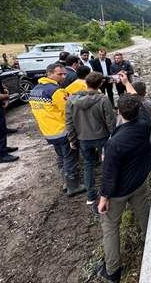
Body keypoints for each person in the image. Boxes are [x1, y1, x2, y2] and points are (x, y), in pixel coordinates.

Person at [97, 74, 151, 282]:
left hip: (119, 190)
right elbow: (136, 98)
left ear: (119, 113)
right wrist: (127, 82)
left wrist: (104, 198)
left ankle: (112, 271)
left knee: (110, 228)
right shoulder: (145, 123)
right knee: (144, 212)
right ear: (139, 109)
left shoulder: (115, 143)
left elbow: (109, 174)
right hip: (139, 181)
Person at [29, 63, 86, 197]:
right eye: (60, 74)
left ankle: (66, 182)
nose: (63, 76)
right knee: (70, 157)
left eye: (64, 73)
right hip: (62, 131)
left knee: (61, 156)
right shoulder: (56, 91)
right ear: (50, 74)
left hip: (49, 131)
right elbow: (69, 109)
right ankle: (73, 186)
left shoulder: (35, 90)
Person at [66, 72, 116, 205]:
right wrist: (114, 136)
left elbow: (69, 121)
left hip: (83, 138)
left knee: (88, 165)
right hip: (102, 137)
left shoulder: (71, 99)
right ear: (100, 84)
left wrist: (72, 139)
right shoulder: (103, 99)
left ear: (86, 83)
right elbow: (110, 121)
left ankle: (90, 196)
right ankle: (109, 193)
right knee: (107, 164)